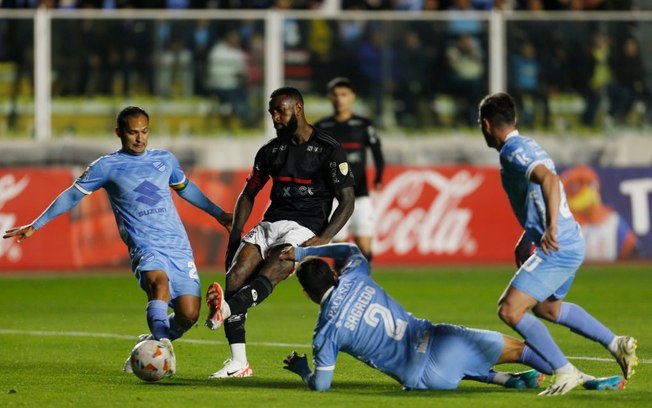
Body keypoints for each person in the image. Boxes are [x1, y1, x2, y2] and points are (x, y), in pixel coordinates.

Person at [2, 106, 232, 375]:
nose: (139, 138)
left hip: (178, 247)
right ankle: (163, 348)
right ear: (119, 133)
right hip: (146, 247)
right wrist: (36, 224)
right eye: (133, 133)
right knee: (158, 283)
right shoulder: (106, 166)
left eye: (144, 132)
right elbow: (72, 196)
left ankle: (150, 344)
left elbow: (186, 189)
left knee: (189, 314)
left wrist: (219, 214)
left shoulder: (165, 160)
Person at [279, 243, 625, 393]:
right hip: (439, 342)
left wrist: (302, 371)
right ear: (335, 276)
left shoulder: (324, 333)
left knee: (464, 370)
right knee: (520, 348)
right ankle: (586, 378)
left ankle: (507, 382)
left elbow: (321, 384)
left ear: (307, 295)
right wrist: (307, 252)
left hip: (422, 380)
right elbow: (350, 250)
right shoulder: (354, 275)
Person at [477, 92, 638, 396]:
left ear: (486, 125)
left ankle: (566, 372)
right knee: (548, 308)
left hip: (558, 244)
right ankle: (616, 343)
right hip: (570, 240)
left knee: (510, 309)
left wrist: (550, 228)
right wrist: (532, 233)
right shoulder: (526, 145)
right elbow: (543, 189)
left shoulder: (513, 150)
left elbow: (550, 181)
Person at [204, 87, 355, 379]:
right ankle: (238, 363)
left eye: (280, 111)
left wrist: (323, 238)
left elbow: (347, 201)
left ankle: (223, 310)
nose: (275, 117)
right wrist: (236, 234)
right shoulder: (270, 151)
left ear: (298, 109)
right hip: (271, 223)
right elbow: (248, 194)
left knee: (272, 268)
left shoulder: (328, 149)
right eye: (272, 112)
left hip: (305, 227)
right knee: (235, 275)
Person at [314, 77, 384, 268]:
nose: (340, 99)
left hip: (360, 193)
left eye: (344, 94)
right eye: (336, 95)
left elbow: (377, 152)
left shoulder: (364, 125)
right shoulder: (321, 127)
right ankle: (341, 288)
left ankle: (362, 285)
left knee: (364, 247)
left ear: (352, 97)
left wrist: (379, 177)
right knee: (339, 246)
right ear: (330, 98)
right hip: (335, 196)